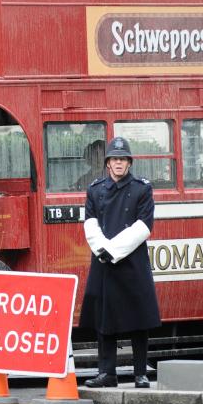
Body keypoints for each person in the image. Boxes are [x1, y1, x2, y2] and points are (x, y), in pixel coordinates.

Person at [80, 137, 160, 389]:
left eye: (123, 159)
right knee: (104, 320)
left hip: (131, 260)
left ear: (129, 163)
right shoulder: (94, 189)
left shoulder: (142, 188)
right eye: (115, 159)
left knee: (139, 319)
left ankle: (140, 373)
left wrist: (113, 250)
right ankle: (107, 373)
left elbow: (143, 226)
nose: (119, 163)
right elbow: (90, 222)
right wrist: (102, 248)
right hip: (103, 260)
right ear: (107, 163)